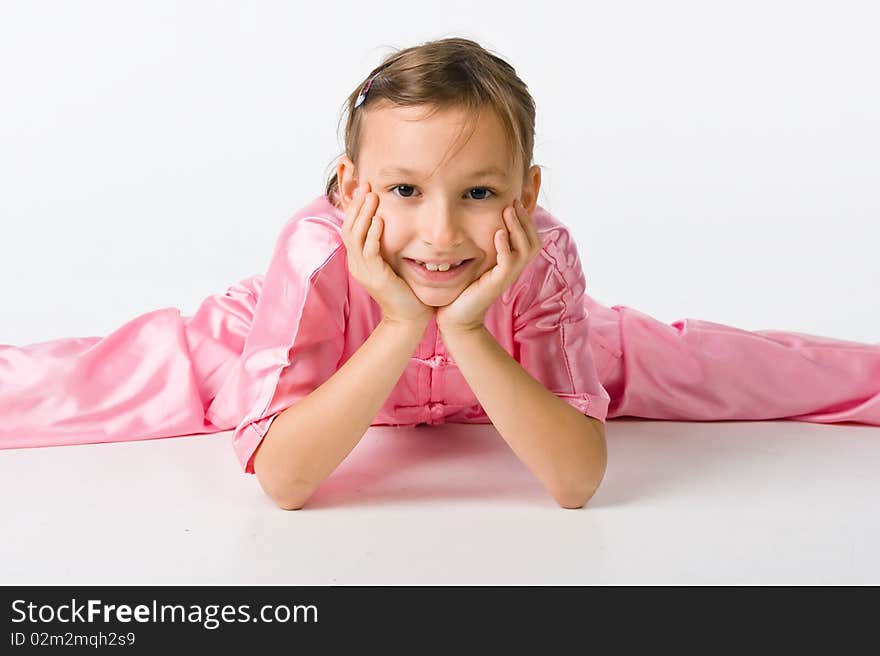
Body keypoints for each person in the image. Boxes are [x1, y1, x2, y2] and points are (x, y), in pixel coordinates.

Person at [2, 37, 878, 511]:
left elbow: (575, 485)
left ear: (528, 194)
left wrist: (463, 327)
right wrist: (395, 326)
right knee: (81, 385)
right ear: (351, 189)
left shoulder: (539, 253)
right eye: (405, 190)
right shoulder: (315, 252)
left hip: (516, 340)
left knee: (724, 366)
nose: (439, 232)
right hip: (286, 348)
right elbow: (286, 483)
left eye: (481, 191)